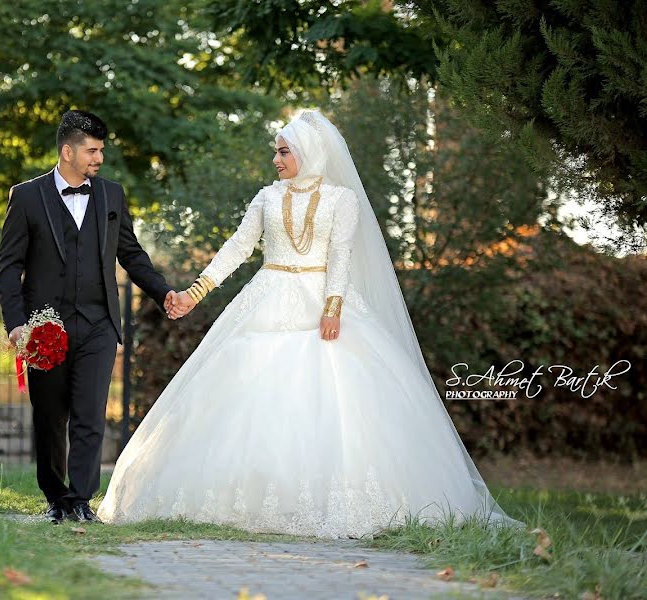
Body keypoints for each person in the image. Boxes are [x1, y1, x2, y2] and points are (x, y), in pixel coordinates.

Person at [97, 109, 524, 538]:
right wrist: (195, 292)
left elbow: (340, 252)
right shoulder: (266, 197)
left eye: (284, 152)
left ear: (308, 152)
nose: (276, 160)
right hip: (267, 295)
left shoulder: (342, 199)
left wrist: (333, 308)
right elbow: (237, 248)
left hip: (321, 299)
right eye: (275, 152)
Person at [0, 110, 177, 524]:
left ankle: (81, 499)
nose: (99, 158)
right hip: (46, 326)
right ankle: (56, 500)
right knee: (49, 416)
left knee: (90, 412)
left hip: (98, 323)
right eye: (92, 150)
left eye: (100, 151)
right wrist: (17, 323)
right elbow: (9, 266)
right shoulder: (26, 196)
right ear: (68, 150)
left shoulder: (112, 195)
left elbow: (130, 254)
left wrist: (163, 291)